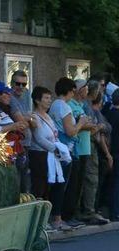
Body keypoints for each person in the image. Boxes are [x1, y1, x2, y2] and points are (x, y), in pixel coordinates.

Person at [49, 77, 91, 228]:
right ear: (70, 90)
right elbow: (71, 131)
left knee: (59, 184)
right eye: (73, 90)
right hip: (66, 150)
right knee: (66, 185)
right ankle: (60, 218)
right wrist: (81, 123)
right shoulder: (64, 107)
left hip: (58, 149)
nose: (74, 93)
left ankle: (57, 216)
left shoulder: (54, 104)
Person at [29, 86, 71, 231]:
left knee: (52, 186)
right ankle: (38, 222)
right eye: (46, 98)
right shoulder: (34, 116)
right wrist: (55, 148)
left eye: (49, 98)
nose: (49, 101)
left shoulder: (48, 116)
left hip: (52, 155)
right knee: (40, 187)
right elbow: (39, 138)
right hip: (40, 155)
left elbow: (54, 135)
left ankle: (50, 218)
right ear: (37, 100)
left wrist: (58, 148)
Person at [63, 79, 97, 226]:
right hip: (77, 148)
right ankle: (70, 213)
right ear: (77, 90)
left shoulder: (81, 105)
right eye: (84, 87)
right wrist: (86, 124)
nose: (87, 90)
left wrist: (87, 124)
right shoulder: (69, 105)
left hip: (85, 148)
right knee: (74, 183)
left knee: (80, 182)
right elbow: (78, 124)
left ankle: (76, 212)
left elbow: (88, 122)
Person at [80, 86, 112, 225]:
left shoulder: (91, 109)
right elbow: (94, 131)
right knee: (89, 180)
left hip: (91, 147)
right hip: (87, 147)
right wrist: (98, 128)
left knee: (91, 180)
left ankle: (90, 209)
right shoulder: (87, 107)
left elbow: (102, 128)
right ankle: (88, 211)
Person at [9, 70, 34, 193]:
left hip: (28, 142)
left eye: (24, 84)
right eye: (17, 83)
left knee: (26, 176)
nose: (20, 87)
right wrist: (29, 118)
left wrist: (28, 118)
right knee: (19, 177)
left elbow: (33, 121)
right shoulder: (11, 98)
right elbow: (20, 121)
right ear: (11, 83)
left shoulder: (26, 96)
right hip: (18, 144)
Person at [103, 89, 119, 221]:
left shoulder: (108, 113)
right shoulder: (116, 114)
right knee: (115, 183)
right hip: (115, 152)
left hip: (110, 151)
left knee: (112, 182)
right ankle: (115, 212)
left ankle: (112, 210)